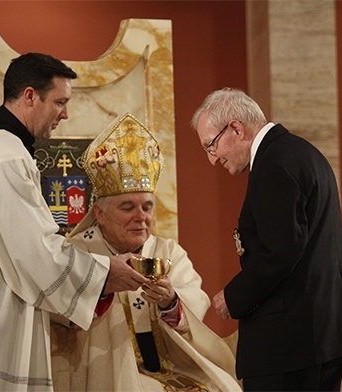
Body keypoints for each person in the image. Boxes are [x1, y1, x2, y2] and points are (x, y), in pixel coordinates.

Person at [0, 53, 149, 391]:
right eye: (60, 102)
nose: (66, 114)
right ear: (30, 95)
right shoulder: (7, 158)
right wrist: (106, 273)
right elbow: (36, 255)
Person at [50, 113, 242, 392]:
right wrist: (102, 286)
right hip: (107, 373)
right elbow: (58, 313)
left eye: (147, 207)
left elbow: (194, 306)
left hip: (174, 365)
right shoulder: (76, 252)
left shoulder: (168, 252)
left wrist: (169, 302)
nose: (141, 217)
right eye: (128, 208)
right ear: (100, 214)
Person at [191, 87, 342, 391]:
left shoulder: (274, 164)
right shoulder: (301, 153)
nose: (212, 159)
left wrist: (234, 296)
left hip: (289, 345)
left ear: (236, 129)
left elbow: (281, 251)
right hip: (318, 336)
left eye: (211, 146)